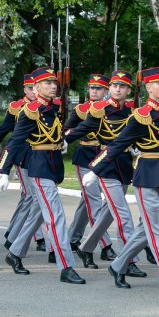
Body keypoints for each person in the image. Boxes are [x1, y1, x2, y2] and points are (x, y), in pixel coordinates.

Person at [85, 66, 159, 298]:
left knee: (155, 225)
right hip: (147, 175)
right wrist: (96, 169)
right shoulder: (141, 115)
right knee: (157, 232)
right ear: (148, 88)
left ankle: (118, 265)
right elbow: (117, 144)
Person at [0, 66, 85, 284]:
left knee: (38, 213)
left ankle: (15, 253)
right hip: (38, 167)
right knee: (56, 216)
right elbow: (15, 141)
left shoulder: (51, 108)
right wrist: (3, 170)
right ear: (35, 88)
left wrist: (61, 142)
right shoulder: (30, 111)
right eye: (47, 83)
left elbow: (54, 134)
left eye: (54, 83)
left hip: (52, 166)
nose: (53, 86)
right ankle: (66, 266)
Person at [67, 70, 143, 275]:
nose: (117, 89)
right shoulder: (100, 110)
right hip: (106, 165)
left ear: (128, 90)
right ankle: (129, 261)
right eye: (114, 86)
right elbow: (81, 129)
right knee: (123, 215)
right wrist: (61, 141)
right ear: (110, 89)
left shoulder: (132, 111)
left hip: (125, 164)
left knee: (109, 213)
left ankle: (86, 248)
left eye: (122, 86)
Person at [0, 74, 46, 252]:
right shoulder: (17, 107)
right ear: (25, 89)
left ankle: (18, 232)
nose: (33, 91)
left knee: (30, 197)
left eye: (35, 87)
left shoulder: (46, 107)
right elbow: (4, 131)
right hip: (21, 155)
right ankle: (16, 238)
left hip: (38, 156)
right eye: (29, 88)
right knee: (31, 196)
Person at [64, 74, 115, 255]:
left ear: (106, 91)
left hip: (104, 157)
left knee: (87, 202)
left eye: (98, 88)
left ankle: (72, 238)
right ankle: (105, 245)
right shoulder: (81, 109)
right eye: (92, 88)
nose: (94, 91)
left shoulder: (111, 109)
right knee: (93, 200)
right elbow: (66, 130)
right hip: (85, 157)